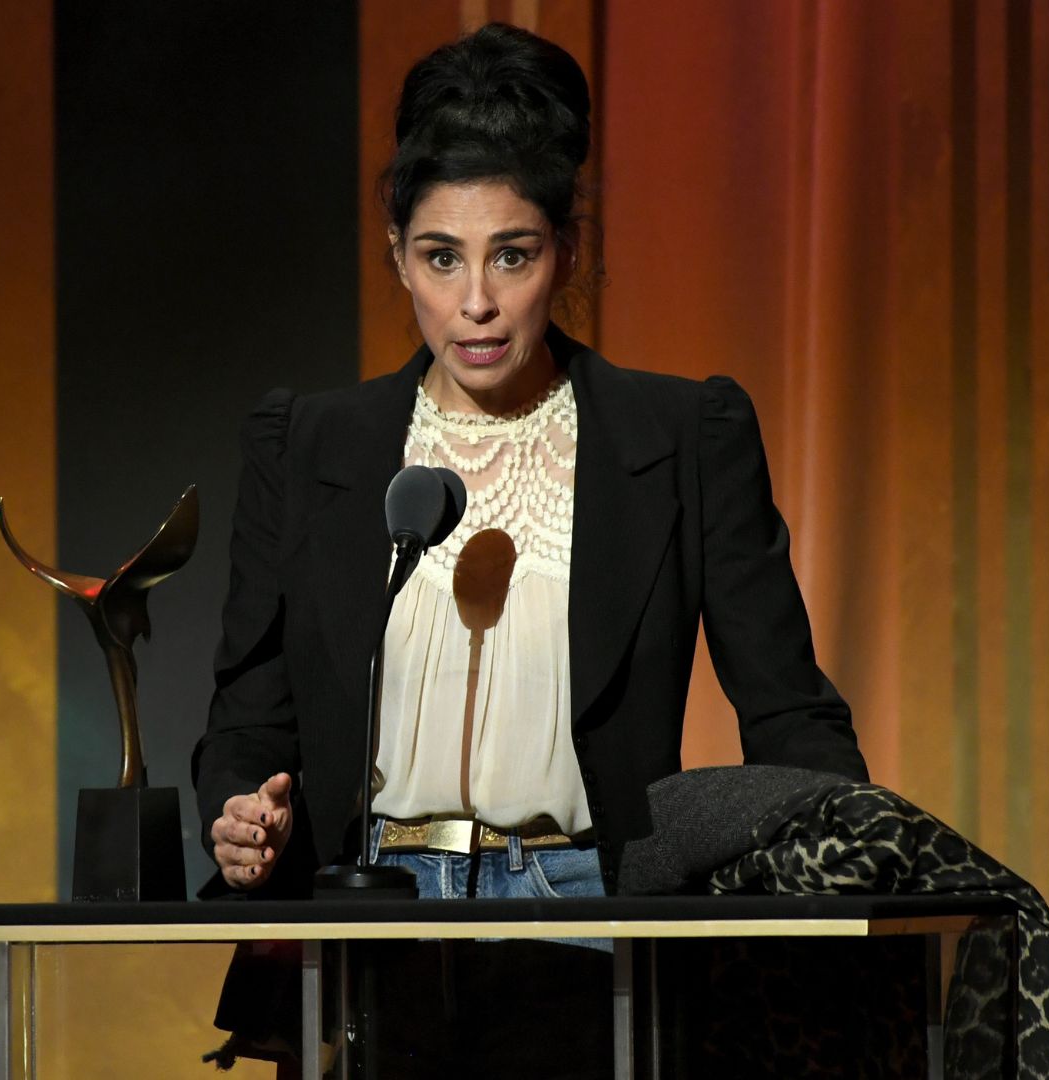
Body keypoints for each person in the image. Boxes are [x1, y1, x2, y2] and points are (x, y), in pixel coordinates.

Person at [190, 21, 868, 1073]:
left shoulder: (681, 436)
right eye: (440, 257)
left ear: (568, 251)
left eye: (512, 254)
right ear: (396, 257)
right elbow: (249, 711)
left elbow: (785, 704)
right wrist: (239, 819)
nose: (476, 303)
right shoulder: (309, 442)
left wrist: (856, 849)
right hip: (369, 929)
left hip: (591, 924)